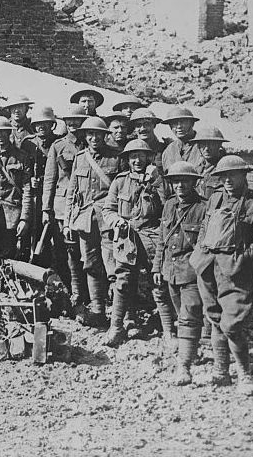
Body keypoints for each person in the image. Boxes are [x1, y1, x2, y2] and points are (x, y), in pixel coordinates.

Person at [190, 154, 253, 395]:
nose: (227, 180)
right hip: (208, 266)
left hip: (235, 270)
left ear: (244, 175)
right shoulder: (214, 199)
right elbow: (205, 228)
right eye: (223, 176)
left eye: (232, 175)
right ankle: (220, 371)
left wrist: (245, 257)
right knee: (214, 319)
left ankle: (244, 375)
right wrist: (200, 252)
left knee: (233, 324)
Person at [102, 140, 166, 347]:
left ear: (149, 158)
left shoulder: (159, 181)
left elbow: (168, 208)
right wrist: (117, 221)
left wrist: (156, 183)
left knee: (158, 280)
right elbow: (107, 210)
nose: (137, 160)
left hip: (151, 237)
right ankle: (117, 327)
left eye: (141, 156)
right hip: (127, 237)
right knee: (123, 282)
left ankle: (168, 328)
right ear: (127, 160)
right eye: (133, 157)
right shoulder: (120, 182)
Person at [67, 117, 127, 328]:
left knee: (114, 267)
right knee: (91, 265)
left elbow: (124, 192)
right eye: (89, 134)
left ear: (105, 135)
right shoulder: (80, 158)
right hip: (84, 220)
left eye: (98, 134)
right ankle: (98, 311)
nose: (93, 138)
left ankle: (121, 316)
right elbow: (72, 193)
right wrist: (68, 222)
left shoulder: (117, 158)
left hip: (109, 222)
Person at [153, 162, 209, 385]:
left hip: (192, 272)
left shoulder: (203, 208)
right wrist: (157, 267)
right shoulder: (169, 205)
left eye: (185, 180)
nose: (179, 185)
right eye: (175, 181)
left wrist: (200, 268)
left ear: (194, 183)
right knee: (182, 315)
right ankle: (193, 349)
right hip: (170, 271)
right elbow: (161, 240)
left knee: (188, 316)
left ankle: (183, 367)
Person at [42, 104, 89, 313]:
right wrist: (46, 208)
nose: (72, 124)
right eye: (69, 121)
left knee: (86, 253)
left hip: (86, 207)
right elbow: (50, 180)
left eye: (76, 121)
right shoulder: (58, 146)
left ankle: (86, 294)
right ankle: (69, 294)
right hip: (62, 208)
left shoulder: (91, 143)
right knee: (64, 252)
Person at [0, 117, 34, 261]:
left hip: (12, 217)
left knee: (9, 261)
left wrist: (25, 218)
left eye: (3, 132)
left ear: (9, 133)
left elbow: (27, 190)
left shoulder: (21, 157)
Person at [21, 106, 60, 274]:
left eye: (45, 123)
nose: (41, 127)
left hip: (55, 195)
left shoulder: (58, 143)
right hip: (34, 196)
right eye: (38, 124)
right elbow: (23, 168)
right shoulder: (28, 144)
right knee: (33, 234)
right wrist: (30, 179)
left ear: (52, 124)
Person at [160, 106, 206, 178]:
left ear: (192, 124)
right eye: (174, 123)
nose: (179, 126)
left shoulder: (205, 145)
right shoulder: (168, 151)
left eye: (183, 122)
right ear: (170, 126)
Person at [191, 126, 227, 200]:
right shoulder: (196, 170)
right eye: (203, 144)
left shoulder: (226, 170)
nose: (207, 149)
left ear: (219, 145)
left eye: (212, 144)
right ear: (198, 146)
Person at [129, 108, 168, 173]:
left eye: (147, 124)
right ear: (134, 128)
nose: (142, 129)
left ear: (154, 125)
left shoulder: (165, 149)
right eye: (138, 125)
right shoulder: (129, 149)